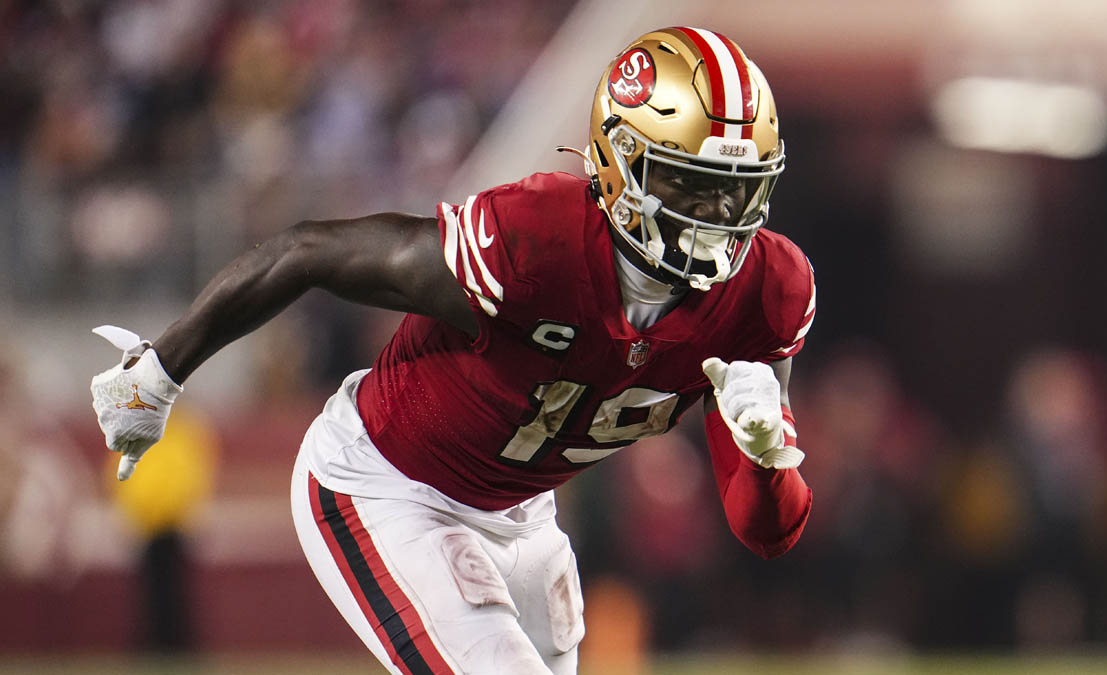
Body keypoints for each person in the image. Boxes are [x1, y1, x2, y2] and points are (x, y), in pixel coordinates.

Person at [90, 27, 817, 675]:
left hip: (525, 510)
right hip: (385, 485)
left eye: (734, 191)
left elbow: (766, 530)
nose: (715, 221)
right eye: (690, 187)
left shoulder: (766, 291)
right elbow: (307, 250)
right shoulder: (532, 243)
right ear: (621, 162)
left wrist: (762, 452)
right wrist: (157, 373)